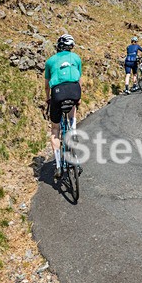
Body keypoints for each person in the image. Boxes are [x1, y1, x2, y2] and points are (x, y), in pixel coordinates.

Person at [45, 34, 82, 180]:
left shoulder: (50, 61)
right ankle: (72, 131)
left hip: (57, 93)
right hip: (74, 90)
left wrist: (48, 99)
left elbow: (47, 85)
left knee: (55, 129)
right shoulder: (76, 58)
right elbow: (79, 79)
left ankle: (59, 165)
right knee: (72, 114)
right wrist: (78, 98)